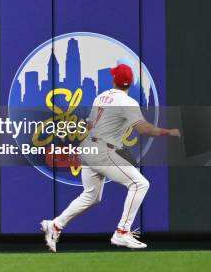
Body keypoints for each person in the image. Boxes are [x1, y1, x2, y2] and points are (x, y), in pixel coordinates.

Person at [41, 63, 180, 251]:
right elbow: (143, 129)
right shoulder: (128, 102)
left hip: (88, 147)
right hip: (102, 150)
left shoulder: (101, 96)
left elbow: (89, 126)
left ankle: (55, 225)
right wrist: (169, 132)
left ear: (114, 79)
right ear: (130, 83)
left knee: (91, 196)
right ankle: (122, 232)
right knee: (140, 184)